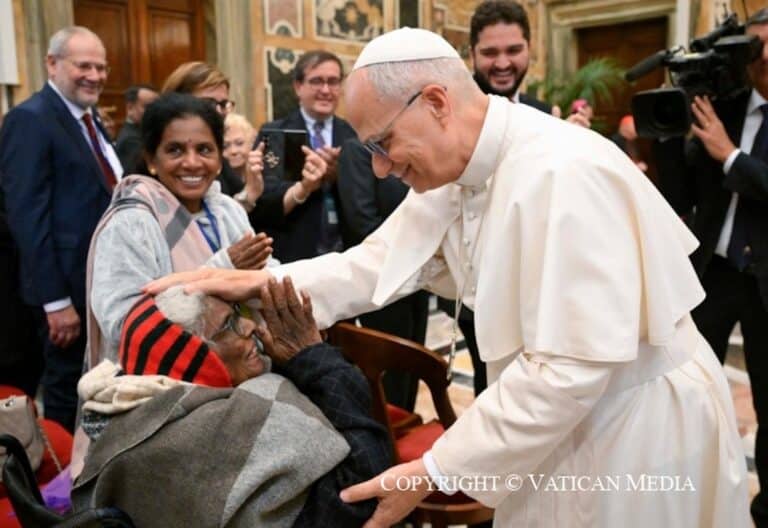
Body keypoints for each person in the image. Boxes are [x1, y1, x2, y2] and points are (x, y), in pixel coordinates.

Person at [147, 28, 750, 527]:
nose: (381, 167)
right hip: (563, 417)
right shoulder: (462, 166)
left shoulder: (561, 173)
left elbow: (569, 366)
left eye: (383, 143)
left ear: (435, 102)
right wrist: (256, 285)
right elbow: (374, 262)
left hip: (633, 426)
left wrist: (434, 469)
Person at [72, 278, 390, 526]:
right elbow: (362, 487)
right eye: (228, 325)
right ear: (195, 358)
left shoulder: (134, 405)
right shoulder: (214, 428)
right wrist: (315, 359)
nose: (250, 326)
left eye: (240, 314)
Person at [654, 8, 768, 525]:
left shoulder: (726, 132)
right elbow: (681, 196)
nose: (762, 57)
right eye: (755, 46)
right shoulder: (723, 107)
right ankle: (684, 499)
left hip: (765, 282)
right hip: (714, 274)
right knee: (686, 389)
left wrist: (730, 155)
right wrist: (668, 133)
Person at [86, 93, 273, 369]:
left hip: (241, 368)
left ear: (219, 159)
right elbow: (124, 324)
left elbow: (266, 277)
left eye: (204, 150)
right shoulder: (131, 224)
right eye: (175, 150)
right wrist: (221, 270)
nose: (192, 162)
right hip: (165, 381)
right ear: (151, 159)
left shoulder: (227, 211)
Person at [0, 26, 122, 431]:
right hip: (65, 292)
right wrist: (55, 302)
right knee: (66, 390)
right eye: (84, 65)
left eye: (101, 67)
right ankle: (62, 468)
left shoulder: (88, 119)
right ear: (52, 64)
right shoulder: (30, 119)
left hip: (97, 284)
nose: (95, 75)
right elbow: (27, 216)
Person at [336, 138, 429, 411]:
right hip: (382, 282)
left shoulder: (407, 146)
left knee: (414, 363)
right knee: (390, 373)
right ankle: (390, 428)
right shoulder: (356, 150)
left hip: (418, 277)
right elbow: (361, 220)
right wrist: (409, 252)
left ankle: (407, 422)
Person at [255, 50, 357, 263]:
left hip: (346, 253)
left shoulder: (355, 135)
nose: (326, 90)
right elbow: (263, 201)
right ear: (298, 86)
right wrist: (307, 183)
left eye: (333, 82)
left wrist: (339, 174)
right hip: (292, 250)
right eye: (317, 81)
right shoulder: (275, 133)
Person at [469, 0, 591, 127]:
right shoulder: (455, 111)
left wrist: (564, 136)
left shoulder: (546, 115)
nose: (503, 64)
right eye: (490, 53)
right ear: (472, 55)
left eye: (513, 51)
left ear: (529, 50)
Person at [115, 84, 159, 173]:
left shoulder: (140, 133)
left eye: (157, 107)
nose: (155, 111)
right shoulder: (131, 140)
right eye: (148, 107)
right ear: (130, 108)